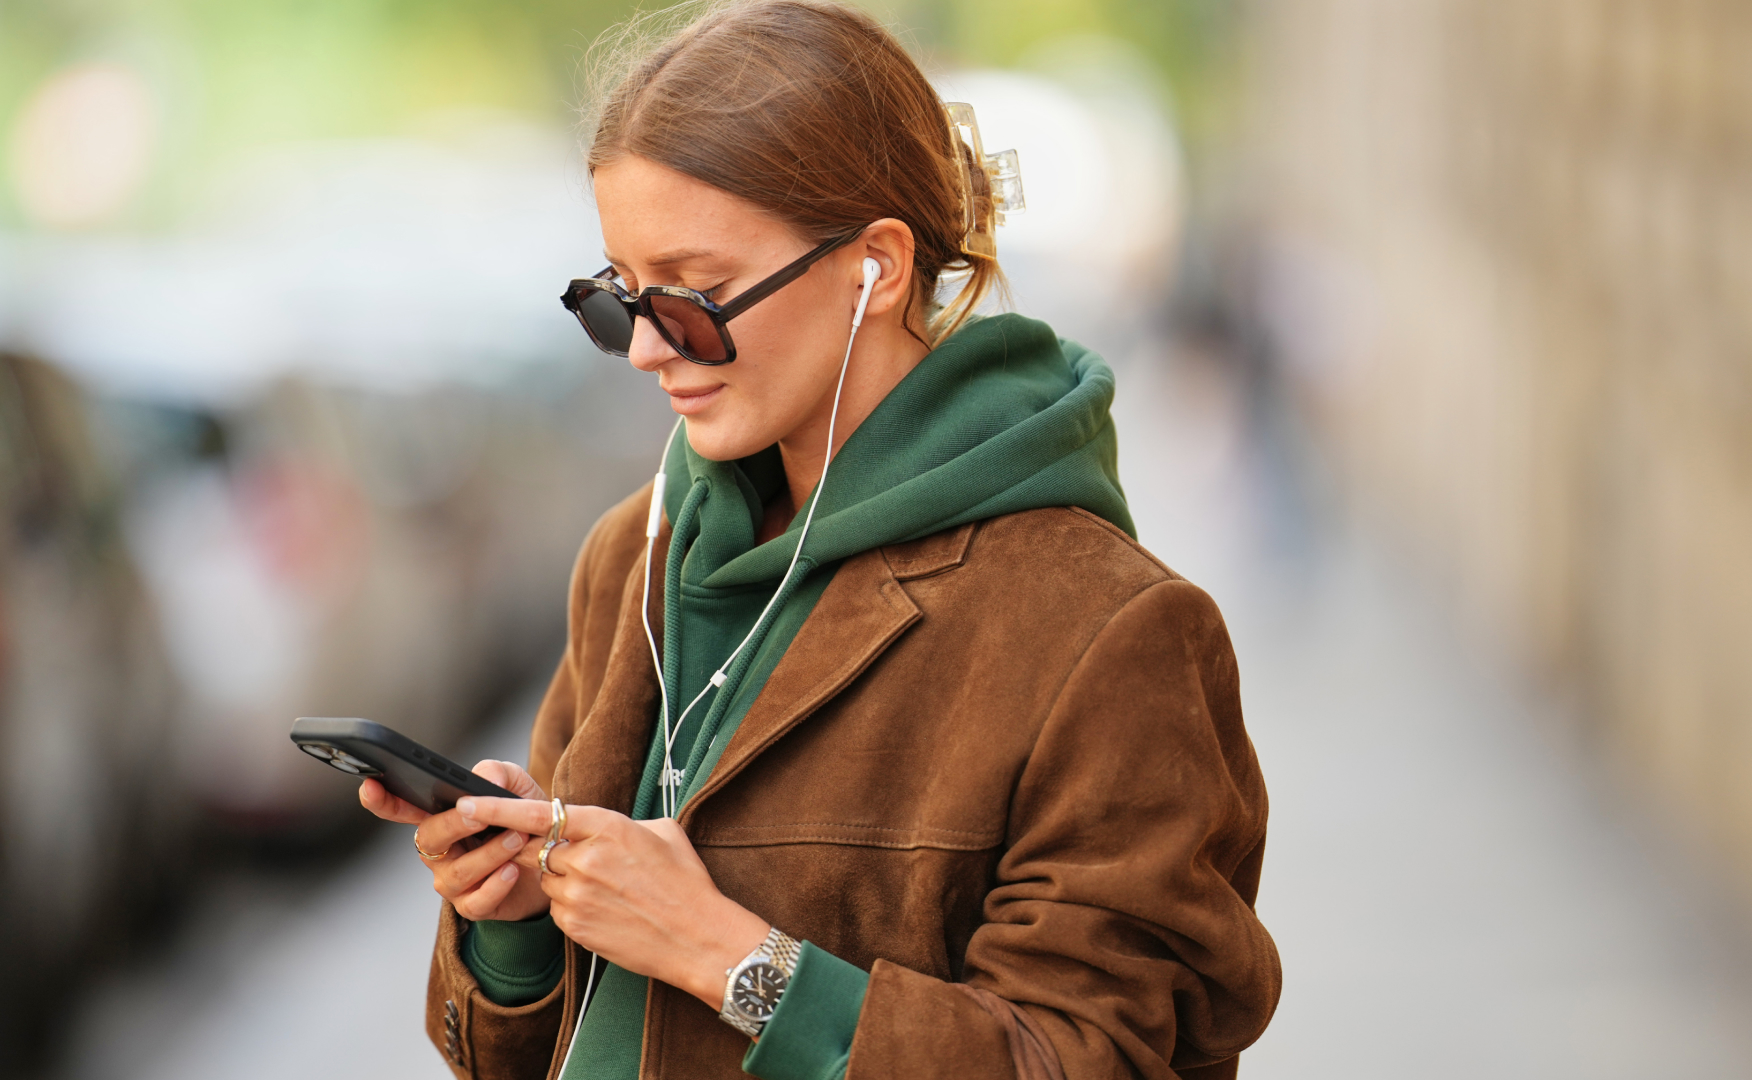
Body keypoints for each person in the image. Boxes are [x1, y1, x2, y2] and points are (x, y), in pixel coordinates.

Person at [360, 2, 1280, 1077]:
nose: (646, 349)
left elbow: (1097, 1060)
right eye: (616, 298)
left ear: (876, 268)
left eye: (696, 297)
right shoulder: (635, 556)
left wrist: (731, 958)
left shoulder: (1108, 630)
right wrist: (514, 923)